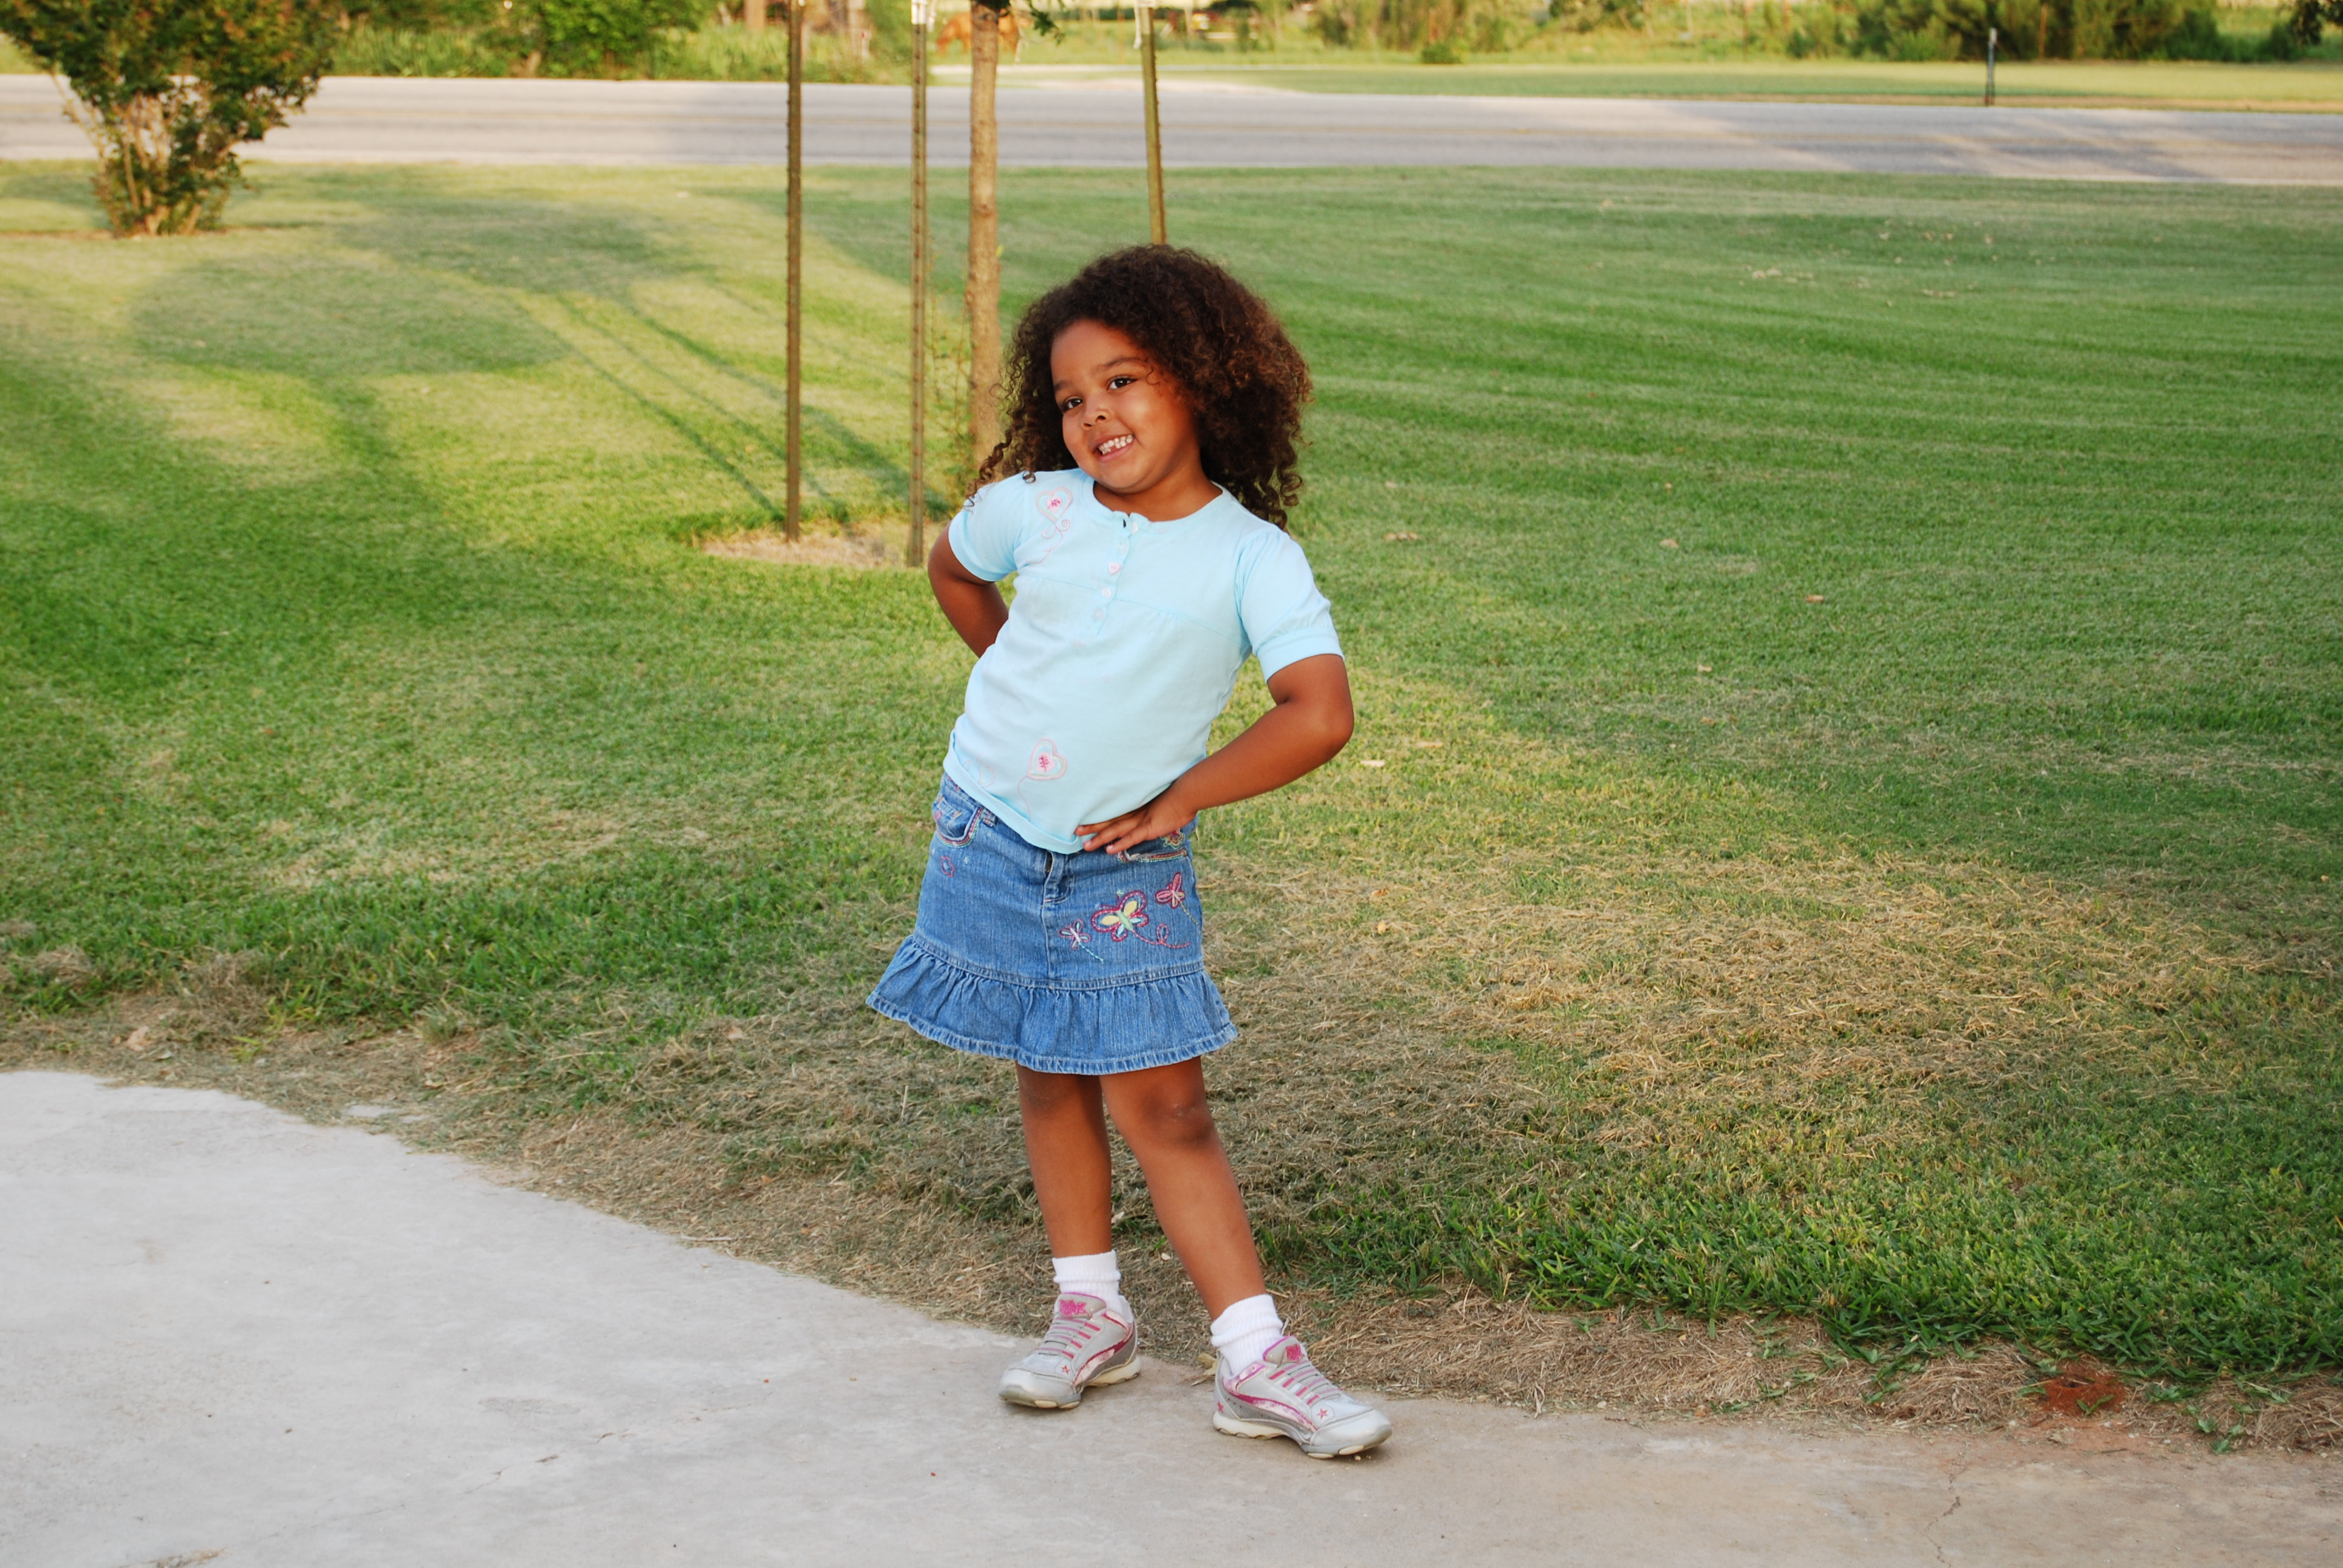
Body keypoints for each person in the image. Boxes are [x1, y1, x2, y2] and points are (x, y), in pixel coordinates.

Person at [867, 246, 1392, 1459]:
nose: (1096, 413)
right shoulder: (1032, 511)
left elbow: (1317, 710)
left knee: (1165, 1103)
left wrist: (1177, 801)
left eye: (1127, 381)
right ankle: (1089, 1312)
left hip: (1123, 867)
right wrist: (1002, 666)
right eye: (1070, 397)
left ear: (1206, 382)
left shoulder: (1253, 557)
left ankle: (1256, 1361)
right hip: (989, 831)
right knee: (1043, 1065)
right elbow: (953, 567)